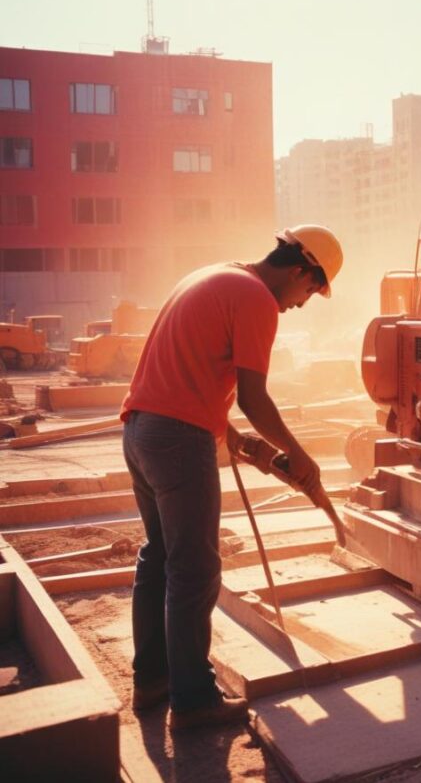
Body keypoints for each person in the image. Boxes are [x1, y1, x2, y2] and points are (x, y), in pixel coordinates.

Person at [120, 225, 343, 730]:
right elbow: (254, 397)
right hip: (177, 441)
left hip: (140, 432)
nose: (303, 304)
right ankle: (194, 700)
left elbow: (189, 377)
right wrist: (299, 454)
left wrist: (237, 439)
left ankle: (152, 679)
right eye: (310, 290)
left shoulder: (215, 276)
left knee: (159, 557)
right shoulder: (257, 299)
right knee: (194, 571)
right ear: (300, 270)